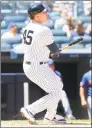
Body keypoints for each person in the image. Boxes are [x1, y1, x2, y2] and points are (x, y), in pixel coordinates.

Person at [20, 3, 64, 124]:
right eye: (44, 12)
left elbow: (38, 47)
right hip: (37, 66)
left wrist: (50, 53)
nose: (47, 14)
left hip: (31, 64)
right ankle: (30, 110)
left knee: (58, 87)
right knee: (57, 92)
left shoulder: (27, 27)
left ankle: (51, 116)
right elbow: (55, 52)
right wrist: (55, 53)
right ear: (37, 16)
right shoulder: (44, 29)